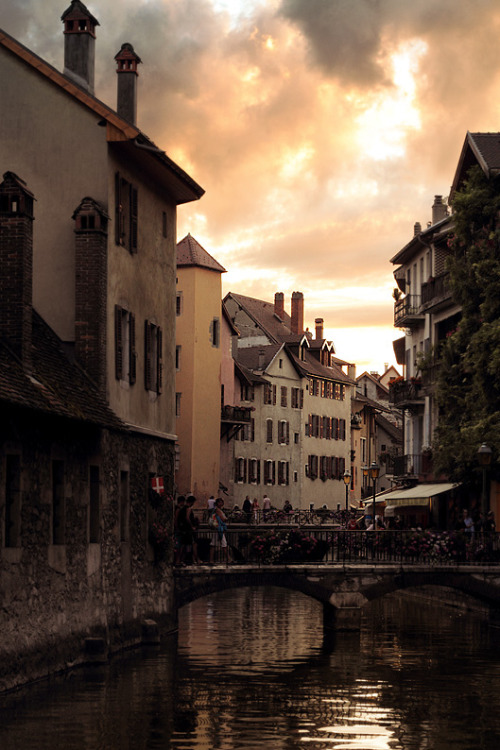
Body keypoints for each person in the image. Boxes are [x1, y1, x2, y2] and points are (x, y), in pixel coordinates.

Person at [209, 497, 229, 563]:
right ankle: (228, 559)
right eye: (220, 502)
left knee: (214, 544)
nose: (222, 503)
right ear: (218, 503)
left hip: (217, 528)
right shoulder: (218, 510)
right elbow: (223, 519)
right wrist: (227, 518)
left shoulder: (216, 510)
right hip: (219, 529)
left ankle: (211, 560)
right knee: (224, 544)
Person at [186, 496, 200, 563]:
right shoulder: (188, 509)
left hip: (187, 530)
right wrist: (192, 526)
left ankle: (192, 559)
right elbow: (187, 518)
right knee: (194, 544)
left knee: (189, 545)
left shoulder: (184, 508)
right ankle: (195, 559)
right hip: (190, 530)